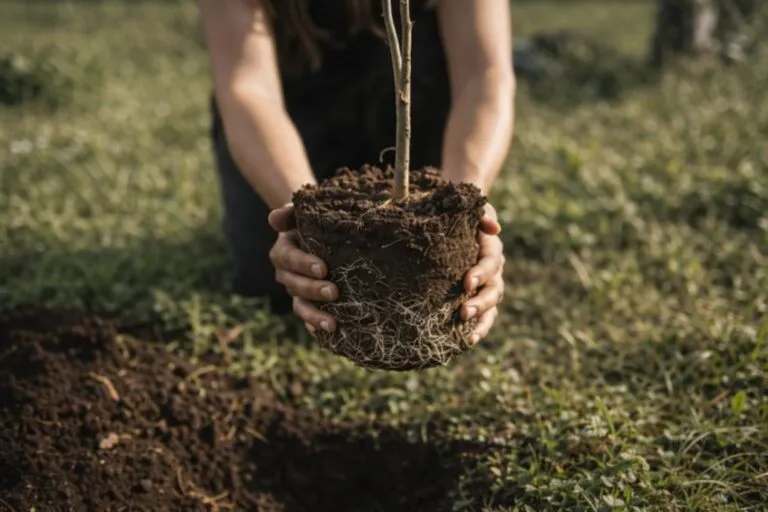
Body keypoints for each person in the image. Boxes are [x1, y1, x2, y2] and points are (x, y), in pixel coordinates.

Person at [196, 0, 514, 344]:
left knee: (421, 258)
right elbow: (248, 88)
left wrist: (463, 213)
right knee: (266, 273)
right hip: (296, 96)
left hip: (420, 93)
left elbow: (483, 75)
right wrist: (303, 217)